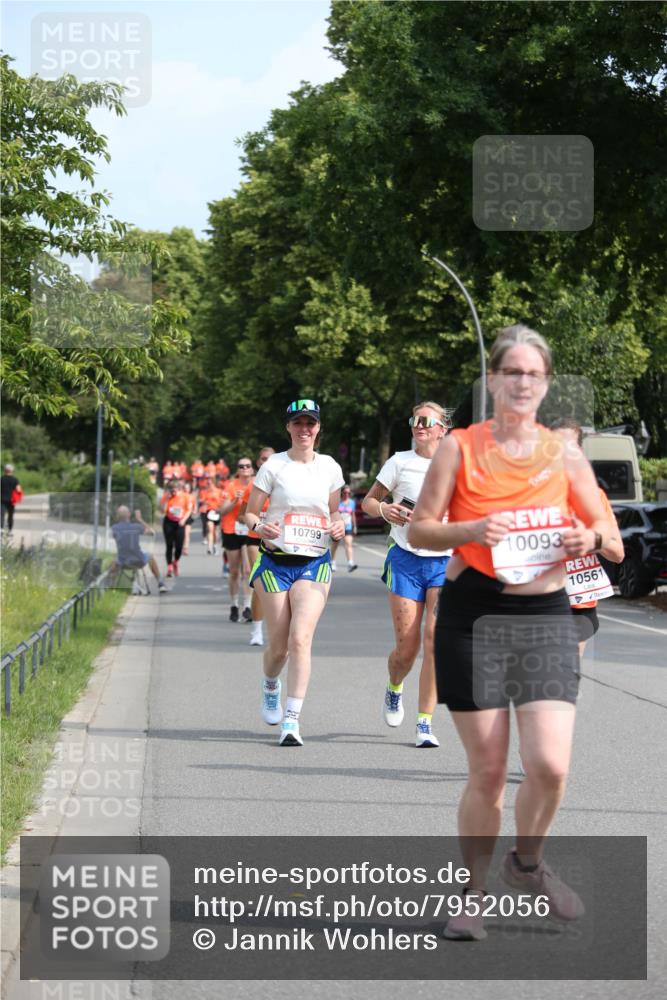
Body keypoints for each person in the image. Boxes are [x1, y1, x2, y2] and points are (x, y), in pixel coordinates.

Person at [408, 324, 616, 940]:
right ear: (493, 380)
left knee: (550, 765)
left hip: (548, 617)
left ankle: (526, 864)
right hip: (475, 618)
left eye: (534, 373)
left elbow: (611, 539)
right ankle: (472, 897)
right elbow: (420, 529)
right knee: (490, 771)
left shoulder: (565, 454)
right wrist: (471, 531)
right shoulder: (459, 448)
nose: (523, 382)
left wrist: (587, 537)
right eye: (512, 372)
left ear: (546, 383)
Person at [244, 400, 345, 746]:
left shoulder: (330, 467)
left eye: (310, 423)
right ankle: (271, 684)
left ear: (318, 428)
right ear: (288, 427)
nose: (304, 429)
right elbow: (250, 514)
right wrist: (260, 527)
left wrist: (339, 526)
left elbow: (334, 512)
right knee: (279, 649)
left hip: (314, 563)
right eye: (298, 423)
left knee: (300, 638)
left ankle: (292, 719)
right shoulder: (274, 465)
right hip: (275, 563)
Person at [362, 402, 451, 748]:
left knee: (435, 641)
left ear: (442, 429)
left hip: (445, 562)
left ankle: (424, 723)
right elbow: (369, 502)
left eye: (426, 420)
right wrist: (386, 510)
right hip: (406, 560)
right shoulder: (399, 462)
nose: (419, 425)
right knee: (407, 650)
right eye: (414, 420)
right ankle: (394, 685)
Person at [551, 419, 624, 653]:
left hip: (578, 602)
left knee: (567, 671)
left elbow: (617, 553)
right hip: (539, 598)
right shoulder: (530, 493)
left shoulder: (595, 496)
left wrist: (590, 538)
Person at [239, 447, 276, 645]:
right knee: (261, 580)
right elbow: (243, 514)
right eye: (263, 459)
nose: (267, 462)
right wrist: (257, 521)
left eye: (270, 458)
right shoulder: (252, 487)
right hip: (255, 538)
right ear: (258, 462)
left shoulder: (284, 484)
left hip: (279, 540)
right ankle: (257, 631)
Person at [220, 458, 256, 622]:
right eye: (241, 466)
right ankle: (234, 604)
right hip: (231, 530)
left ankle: (247, 606)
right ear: (237, 470)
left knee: (248, 570)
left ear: (252, 469)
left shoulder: (257, 485)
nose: (244, 468)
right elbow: (222, 511)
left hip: (249, 531)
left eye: (247, 466)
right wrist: (235, 500)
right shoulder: (231, 486)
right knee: (234, 571)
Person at [110, 506, 167, 593]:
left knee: (114, 560)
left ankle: (111, 586)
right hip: (139, 560)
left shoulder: (114, 528)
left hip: (123, 562)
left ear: (117, 516)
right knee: (150, 556)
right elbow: (152, 532)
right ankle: (160, 583)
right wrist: (140, 519)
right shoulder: (136, 527)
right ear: (129, 515)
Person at [160, 480, 190, 577]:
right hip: (169, 522)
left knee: (179, 546)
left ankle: (175, 561)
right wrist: (167, 500)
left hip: (180, 523)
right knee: (169, 545)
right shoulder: (166, 496)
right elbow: (163, 511)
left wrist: (184, 520)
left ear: (179, 489)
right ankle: (169, 567)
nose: (173, 493)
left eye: (175, 491)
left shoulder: (185, 497)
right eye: (171, 491)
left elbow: (189, 510)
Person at [331, 485, 358, 572]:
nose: (347, 494)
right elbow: (332, 513)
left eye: (349, 493)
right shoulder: (337, 502)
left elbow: (353, 515)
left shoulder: (352, 503)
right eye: (345, 492)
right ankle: (333, 562)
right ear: (342, 492)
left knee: (348, 543)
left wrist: (355, 526)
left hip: (348, 526)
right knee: (335, 545)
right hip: (338, 526)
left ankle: (350, 563)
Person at [1, 464, 21, 534]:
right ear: (12, 470)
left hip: (2, 500)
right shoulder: (15, 479)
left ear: (5, 470)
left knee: (1, 515)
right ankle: (10, 530)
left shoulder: (1, 479)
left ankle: (1, 529)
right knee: (10, 515)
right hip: (11, 500)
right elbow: (18, 490)